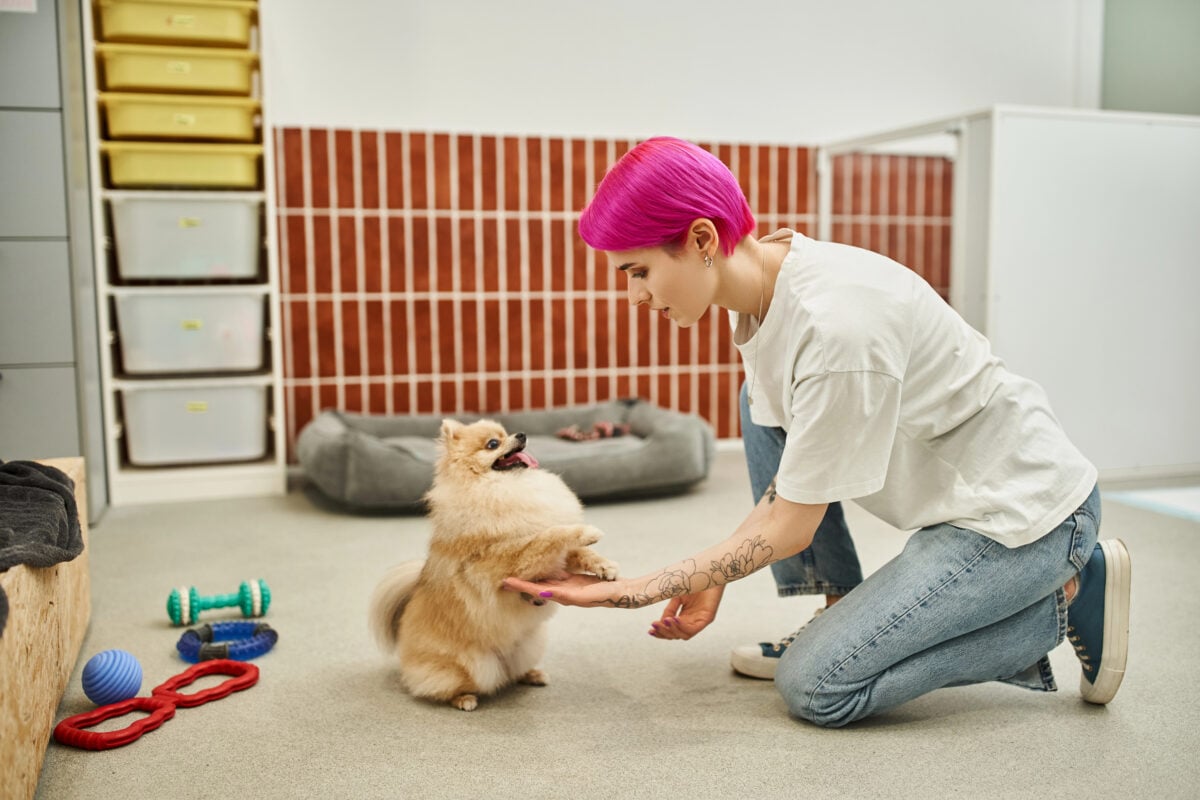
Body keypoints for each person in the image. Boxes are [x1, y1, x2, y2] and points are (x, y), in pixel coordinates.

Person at [502, 136, 1131, 728]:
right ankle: (840, 611)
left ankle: (1069, 593)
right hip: (957, 509)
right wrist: (714, 573)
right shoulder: (764, 291)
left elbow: (789, 524)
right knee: (760, 400)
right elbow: (790, 485)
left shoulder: (835, 331)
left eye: (637, 272)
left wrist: (636, 589)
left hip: (1023, 518)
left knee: (819, 687)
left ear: (700, 239)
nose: (635, 296)